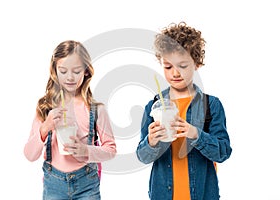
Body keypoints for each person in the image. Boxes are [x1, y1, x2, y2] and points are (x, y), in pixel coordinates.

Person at [136, 22, 232, 200]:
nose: (175, 73)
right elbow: (142, 157)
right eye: (168, 66)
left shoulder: (211, 105)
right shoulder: (154, 106)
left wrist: (196, 134)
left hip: (202, 194)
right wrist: (150, 141)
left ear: (196, 64)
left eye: (183, 65)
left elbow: (223, 152)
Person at [24, 40, 116, 200]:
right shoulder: (45, 107)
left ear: (86, 71)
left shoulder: (96, 109)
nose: (70, 77)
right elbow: (30, 155)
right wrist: (45, 127)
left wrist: (86, 151)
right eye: (63, 71)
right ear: (55, 71)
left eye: (76, 71)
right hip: (53, 185)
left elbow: (111, 150)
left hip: (87, 184)